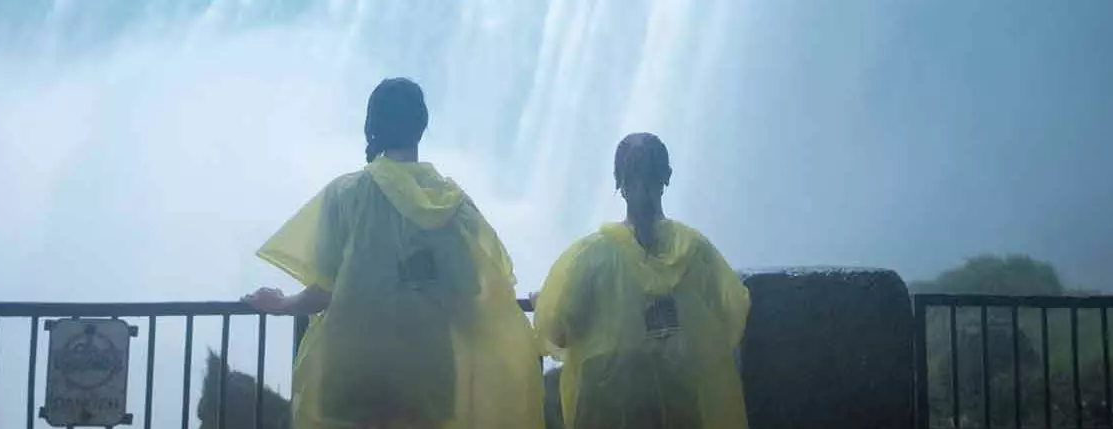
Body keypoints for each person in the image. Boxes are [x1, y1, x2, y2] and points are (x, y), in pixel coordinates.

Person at [242, 78, 543, 429]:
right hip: (428, 371)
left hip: (356, 366)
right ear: (421, 125)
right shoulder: (454, 206)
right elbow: (472, 292)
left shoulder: (347, 194)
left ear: (372, 126)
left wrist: (282, 304)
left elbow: (324, 291)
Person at [531, 132, 750, 429]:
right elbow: (730, 317)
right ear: (667, 177)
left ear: (618, 182)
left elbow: (556, 333)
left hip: (609, 408)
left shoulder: (590, 256)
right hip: (679, 401)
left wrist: (543, 303)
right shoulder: (697, 251)